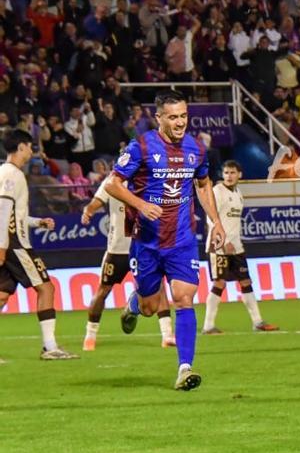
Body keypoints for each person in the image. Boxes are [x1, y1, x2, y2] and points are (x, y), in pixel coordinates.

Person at [104, 92, 227, 391]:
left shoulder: (196, 149)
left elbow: (203, 184)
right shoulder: (141, 146)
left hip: (182, 239)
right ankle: (134, 302)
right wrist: (140, 204)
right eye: (173, 117)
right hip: (147, 240)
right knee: (149, 306)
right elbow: (112, 184)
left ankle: (185, 368)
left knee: (184, 297)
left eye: (183, 115)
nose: (180, 122)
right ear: (159, 118)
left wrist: (216, 220)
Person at [0, 130, 78, 360]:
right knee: (46, 287)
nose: (31, 152)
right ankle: (50, 347)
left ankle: (50, 346)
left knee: (2, 295)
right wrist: (2, 246)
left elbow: (15, 214)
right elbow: (3, 211)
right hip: (15, 244)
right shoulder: (10, 174)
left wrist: (38, 222)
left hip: (11, 240)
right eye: (30, 147)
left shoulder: (7, 173)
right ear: (22, 147)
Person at [80, 182, 175, 351]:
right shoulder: (113, 181)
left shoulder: (149, 177)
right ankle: (90, 335)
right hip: (118, 249)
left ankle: (167, 335)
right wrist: (89, 210)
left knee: (159, 288)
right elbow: (97, 201)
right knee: (103, 290)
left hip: (144, 247)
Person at [202, 161, 279, 335]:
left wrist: (235, 241)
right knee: (219, 283)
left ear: (239, 175)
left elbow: (233, 222)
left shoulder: (238, 194)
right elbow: (210, 219)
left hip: (236, 246)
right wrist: (224, 240)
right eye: (226, 172)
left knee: (245, 281)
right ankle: (208, 326)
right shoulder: (217, 192)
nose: (229, 176)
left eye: (232, 172)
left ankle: (258, 322)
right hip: (219, 246)